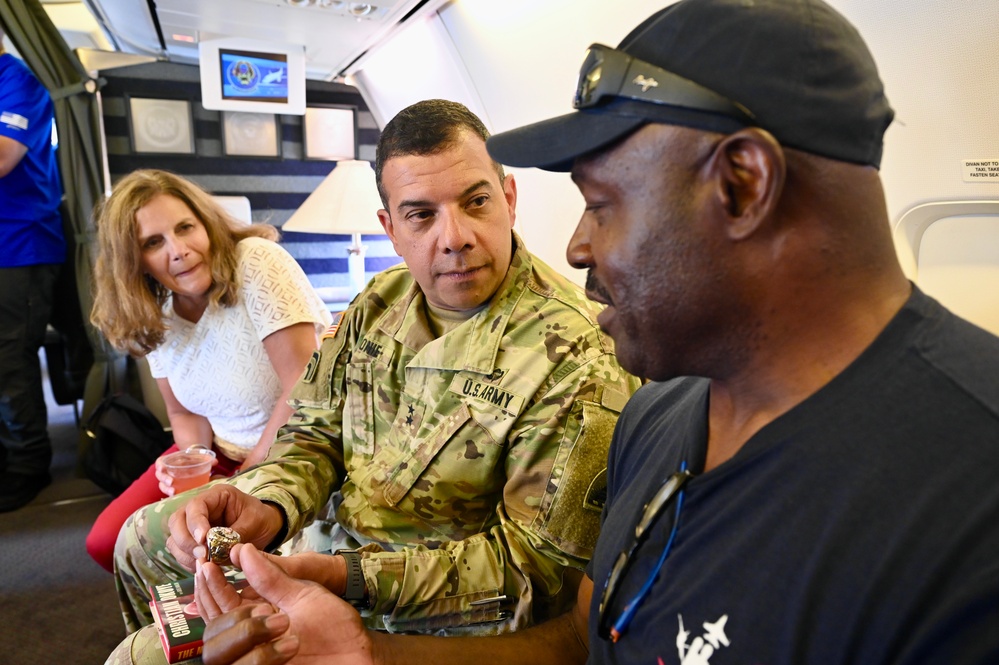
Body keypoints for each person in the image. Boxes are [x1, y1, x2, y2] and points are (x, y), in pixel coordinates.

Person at [194, 1, 999, 664]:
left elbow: (528, 577)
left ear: (742, 185)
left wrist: (354, 588)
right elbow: (581, 639)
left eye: (602, 202)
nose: (576, 246)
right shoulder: (663, 419)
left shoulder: (962, 509)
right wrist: (360, 653)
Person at [105, 99, 641, 662]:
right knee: (141, 541)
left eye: (476, 201)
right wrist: (272, 506)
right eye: (421, 215)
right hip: (323, 551)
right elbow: (311, 432)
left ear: (508, 200)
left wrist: (345, 576)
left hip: (432, 621)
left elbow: (540, 571)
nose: (454, 236)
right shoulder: (377, 303)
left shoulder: (574, 353)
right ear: (389, 228)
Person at [85, 169, 332, 572]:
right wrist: (191, 464)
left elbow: (302, 389)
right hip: (215, 454)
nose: (178, 249)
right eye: (153, 242)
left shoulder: (256, 260)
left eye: (186, 228)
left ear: (207, 225)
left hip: (289, 447)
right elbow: (184, 414)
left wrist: (240, 478)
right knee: (105, 541)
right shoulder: (157, 314)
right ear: (135, 262)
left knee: (223, 557)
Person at [0, 26, 67, 512]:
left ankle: (27, 464)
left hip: (21, 244)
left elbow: (5, 155)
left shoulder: (16, 80)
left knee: (10, 359)